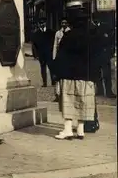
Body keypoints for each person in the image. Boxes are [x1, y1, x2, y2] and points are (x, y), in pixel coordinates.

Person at [53, 8, 102, 140]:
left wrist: (56, 74)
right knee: (82, 101)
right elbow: (96, 57)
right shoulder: (91, 37)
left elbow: (61, 56)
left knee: (68, 101)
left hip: (69, 75)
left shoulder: (68, 36)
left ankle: (68, 129)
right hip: (85, 76)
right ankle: (80, 130)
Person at [31, 18, 55, 87]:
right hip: (41, 54)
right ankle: (44, 83)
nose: (42, 24)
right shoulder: (36, 34)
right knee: (43, 68)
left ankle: (53, 81)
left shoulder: (50, 32)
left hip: (49, 53)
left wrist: (53, 51)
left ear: (45, 23)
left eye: (43, 23)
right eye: (40, 23)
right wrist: (36, 55)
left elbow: (54, 43)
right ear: (38, 24)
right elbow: (34, 45)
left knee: (51, 67)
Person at [52, 18, 71, 102]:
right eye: (62, 23)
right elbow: (55, 45)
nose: (63, 24)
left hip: (67, 56)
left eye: (65, 23)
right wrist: (54, 57)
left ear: (68, 24)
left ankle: (66, 94)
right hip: (59, 56)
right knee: (57, 77)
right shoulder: (58, 33)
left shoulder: (70, 32)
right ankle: (57, 94)